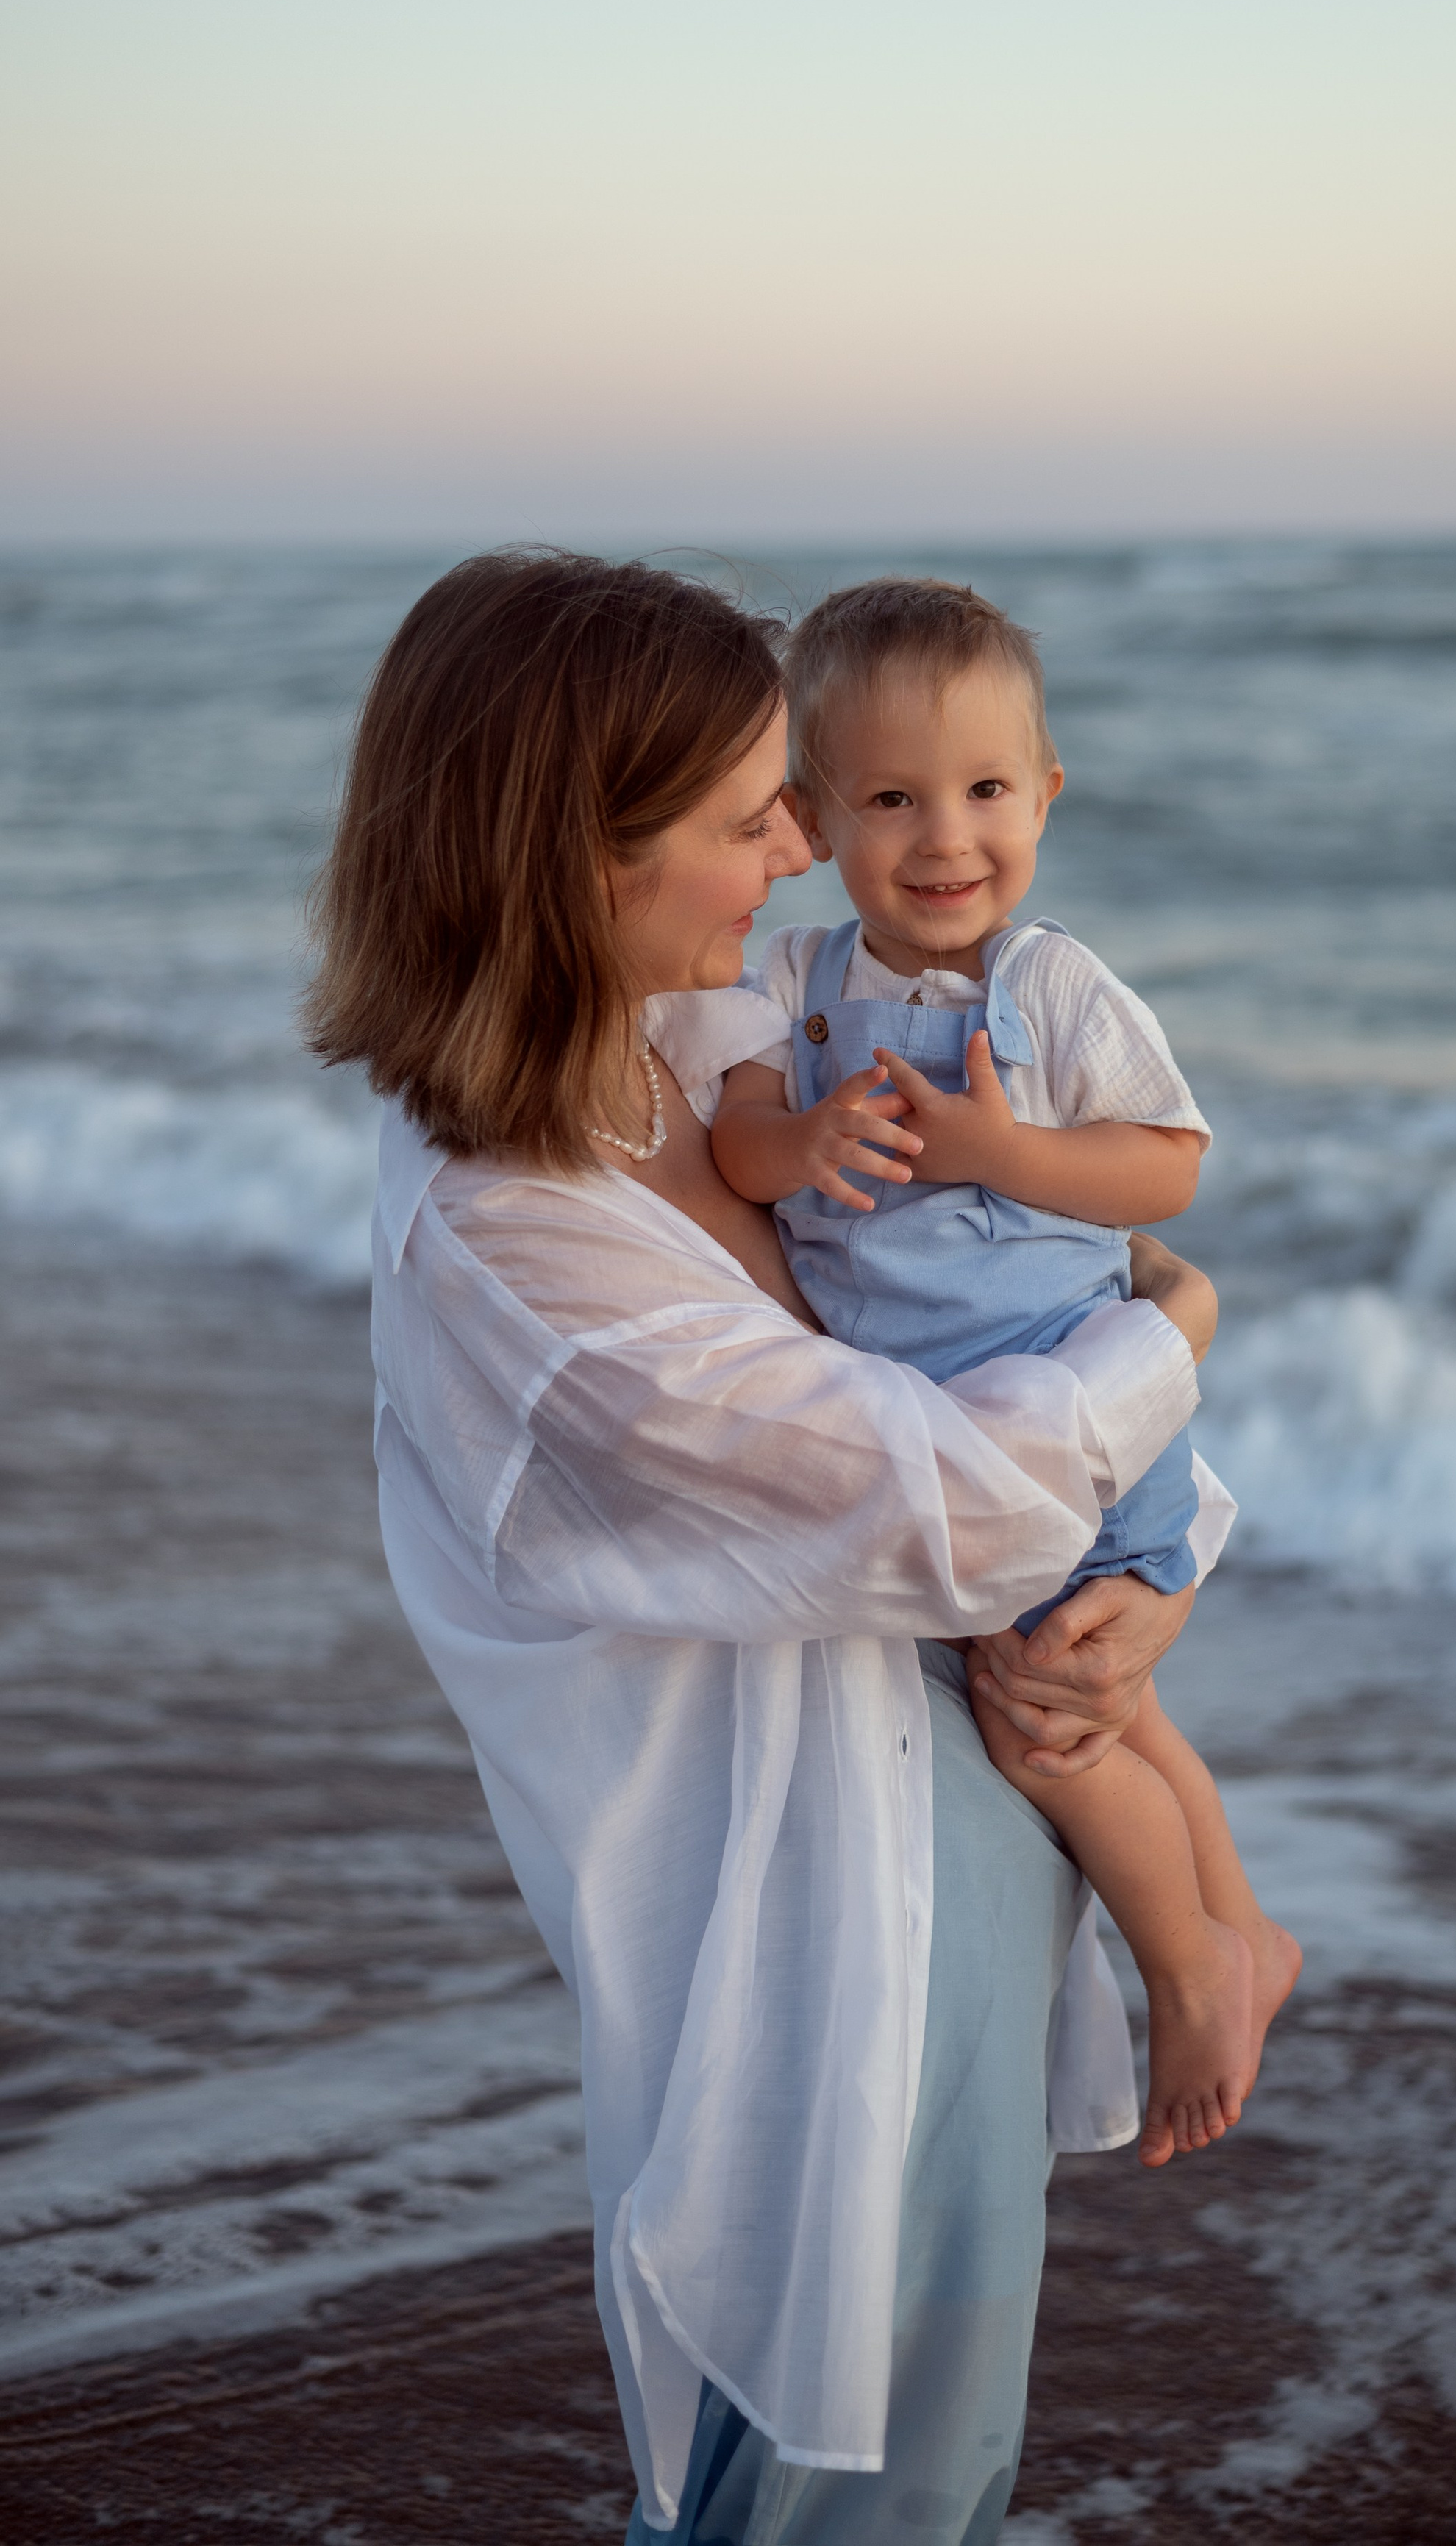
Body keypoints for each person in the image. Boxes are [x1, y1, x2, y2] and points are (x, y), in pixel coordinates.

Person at [304, 549, 1230, 2544]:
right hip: (814, 1930)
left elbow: (977, 1351)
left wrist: (1146, 1583)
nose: (806, 849)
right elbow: (943, 1495)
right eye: (752, 818)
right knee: (835, 2487)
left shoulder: (671, 1055)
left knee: (919, 2464)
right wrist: (1180, 1326)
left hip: (937, 1819)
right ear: (582, 853)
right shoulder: (518, 1241)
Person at [710, 577, 1300, 2168]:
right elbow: (738, 1142)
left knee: (1047, 1722)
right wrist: (800, 1142)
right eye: (891, 799)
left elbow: (1168, 1166)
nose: (944, 839)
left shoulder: (1054, 985)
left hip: (1070, 1421)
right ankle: (1246, 1925)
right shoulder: (795, 985)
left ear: (1044, 793)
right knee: (1120, 1700)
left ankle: (1191, 1964)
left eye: (984, 790)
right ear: (811, 813)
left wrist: (1005, 1153)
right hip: (953, 1444)